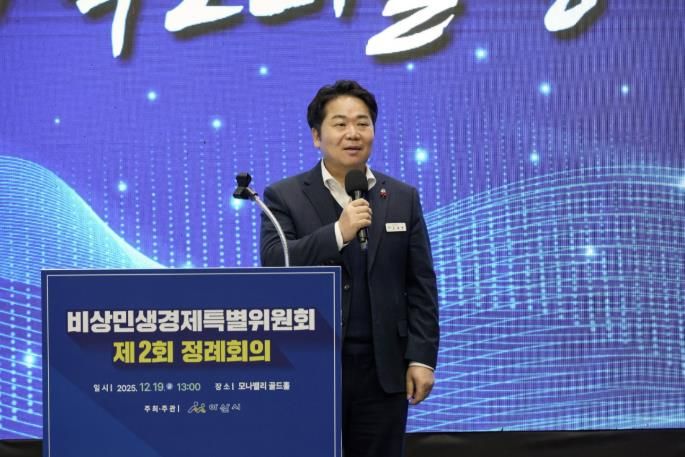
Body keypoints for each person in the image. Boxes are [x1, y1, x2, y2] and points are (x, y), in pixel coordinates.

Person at [260, 80, 439, 457]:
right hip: (310, 364)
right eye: (340, 124)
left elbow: (421, 284)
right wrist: (338, 233)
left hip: (383, 368)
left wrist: (422, 357)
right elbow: (276, 260)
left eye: (363, 123)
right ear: (317, 136)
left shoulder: (401, 197)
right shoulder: (285, 196)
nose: (353, 133)